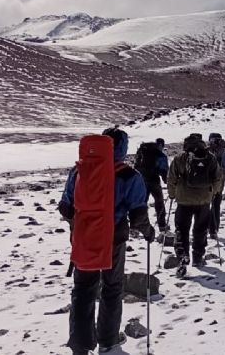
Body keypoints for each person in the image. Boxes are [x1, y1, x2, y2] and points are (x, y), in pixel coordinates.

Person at [58, 128, 156, 354]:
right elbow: (138, 215)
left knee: (82, 289)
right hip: (113, 239)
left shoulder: (79, 170)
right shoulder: (129, 175)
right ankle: (108, 341)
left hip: (84, 239)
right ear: (121, 147)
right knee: (112, 288)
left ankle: (80, 346)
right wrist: (148, 232)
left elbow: (65, 207)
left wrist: (80, 226)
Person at [167, 134, 223, 271]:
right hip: (204, 200)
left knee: (181, 229)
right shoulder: (210, 157)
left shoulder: (180, 158)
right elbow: (217, 178)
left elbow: (171, 178)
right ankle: (198, 257)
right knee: (200, 230)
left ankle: (182, 256)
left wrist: (172, 194)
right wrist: (213, 193)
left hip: (184, 200)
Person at [134, 137, 169, 232]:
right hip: (154, 181)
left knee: (142, 203)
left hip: (142, 181)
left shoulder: (143, 151)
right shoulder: (160, 155)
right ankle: (162, 225)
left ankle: (140, 224)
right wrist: (167, 181)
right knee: (159, 202)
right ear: (161, 145)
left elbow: (136, 165)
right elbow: (164, 171)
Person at [207, 132, 225, 239]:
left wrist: (222, 150)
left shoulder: (224, 152)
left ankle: (213, 230)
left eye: (217, 140)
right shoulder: (206, 151)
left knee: (215, 206)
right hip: (207, 183)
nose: (214, 142)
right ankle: (207, 228)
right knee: (206, 207)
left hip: (218, 184)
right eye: (212, 140)